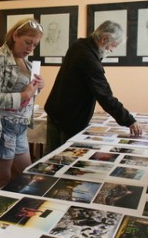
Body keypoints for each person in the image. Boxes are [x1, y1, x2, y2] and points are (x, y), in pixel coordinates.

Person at [44, 20, 142, 153]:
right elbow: (105, 96)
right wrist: (129, 120)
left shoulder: (79, 44)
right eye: (113, 45)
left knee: (51, 159)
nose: (112, 50)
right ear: (104, 38)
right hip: (69, 118)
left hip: (57, 112)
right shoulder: (88, 58)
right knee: (65, 161)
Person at [0, 18, 45, 191]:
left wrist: (37, 88)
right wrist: (24, 94)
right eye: (28, 42)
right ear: (15, 35)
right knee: (3, 178)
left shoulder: (26, 62)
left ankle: (16, 212)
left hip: (19, 126)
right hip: (1, 127)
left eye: (35, 45)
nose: (30, 48)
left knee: (27, 174)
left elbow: (27, 94)